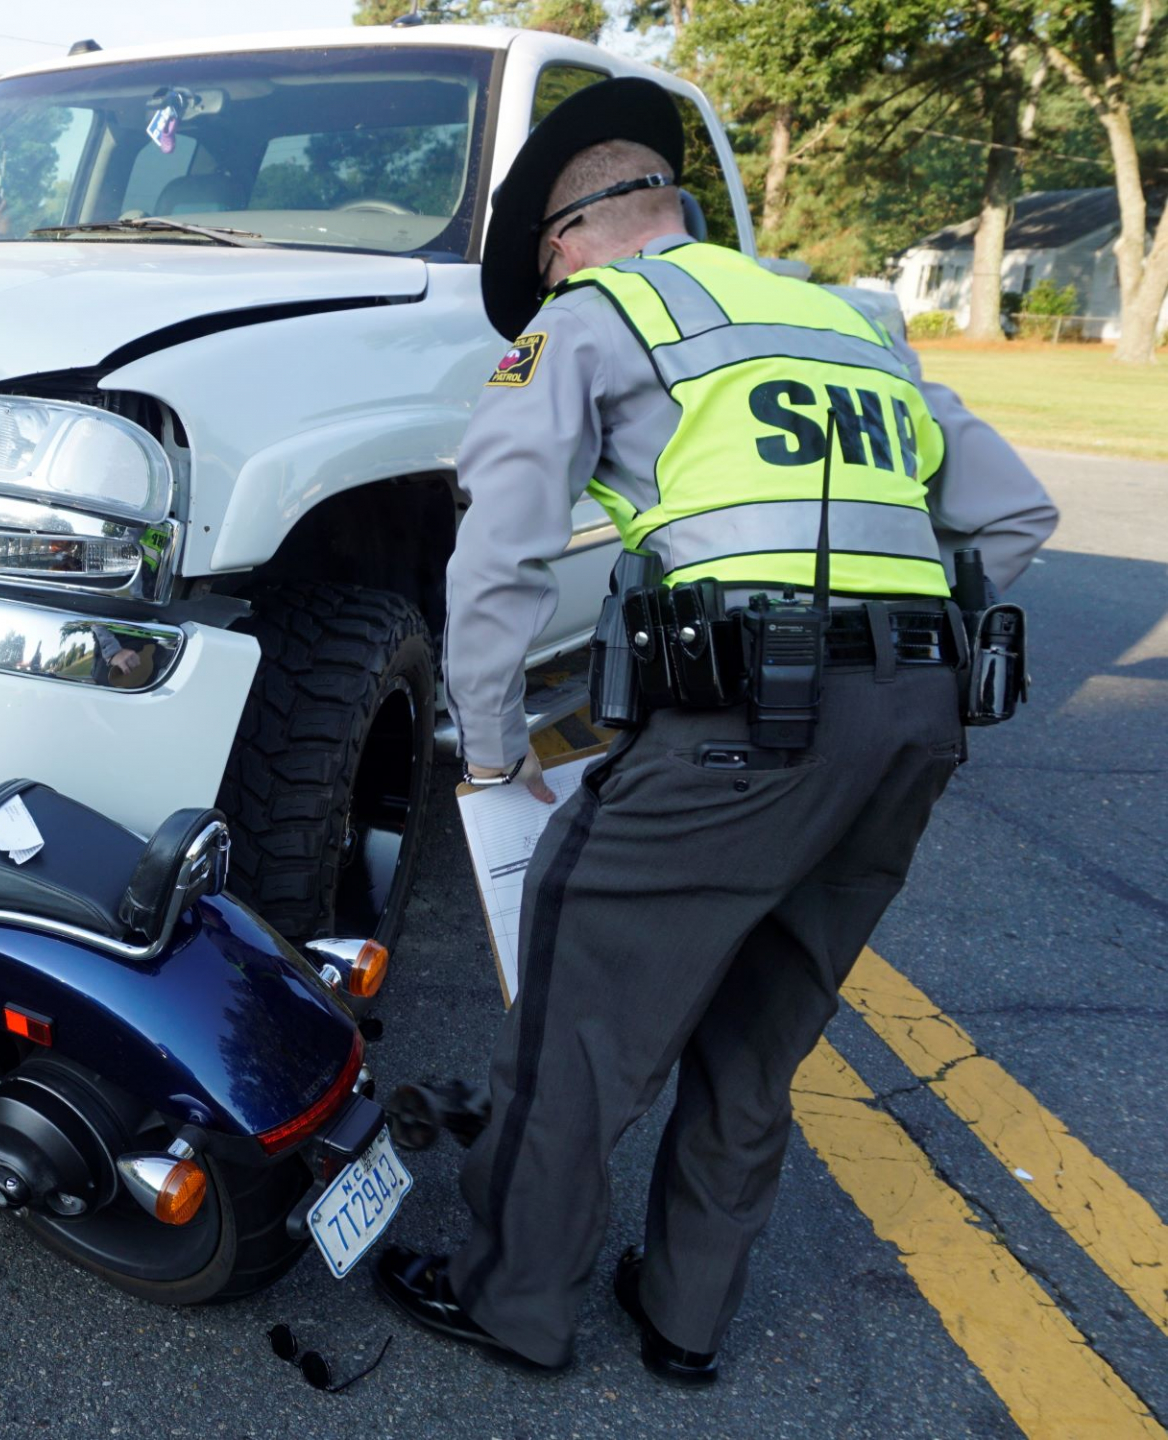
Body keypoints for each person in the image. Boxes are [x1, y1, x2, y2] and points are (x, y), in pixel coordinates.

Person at [373, 76, 1058, 1385]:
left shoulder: (594, 319)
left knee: (580, 1019)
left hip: (749, 721)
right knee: (761, 1029)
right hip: (916, 723)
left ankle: (513, 1298)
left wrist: (495, 746)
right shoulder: (846, 318)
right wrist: (885, 635)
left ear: (572, 232)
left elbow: (499, 555)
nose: (548, 272)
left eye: (543, 256)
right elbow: (1012, 518)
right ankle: (683, 1317)